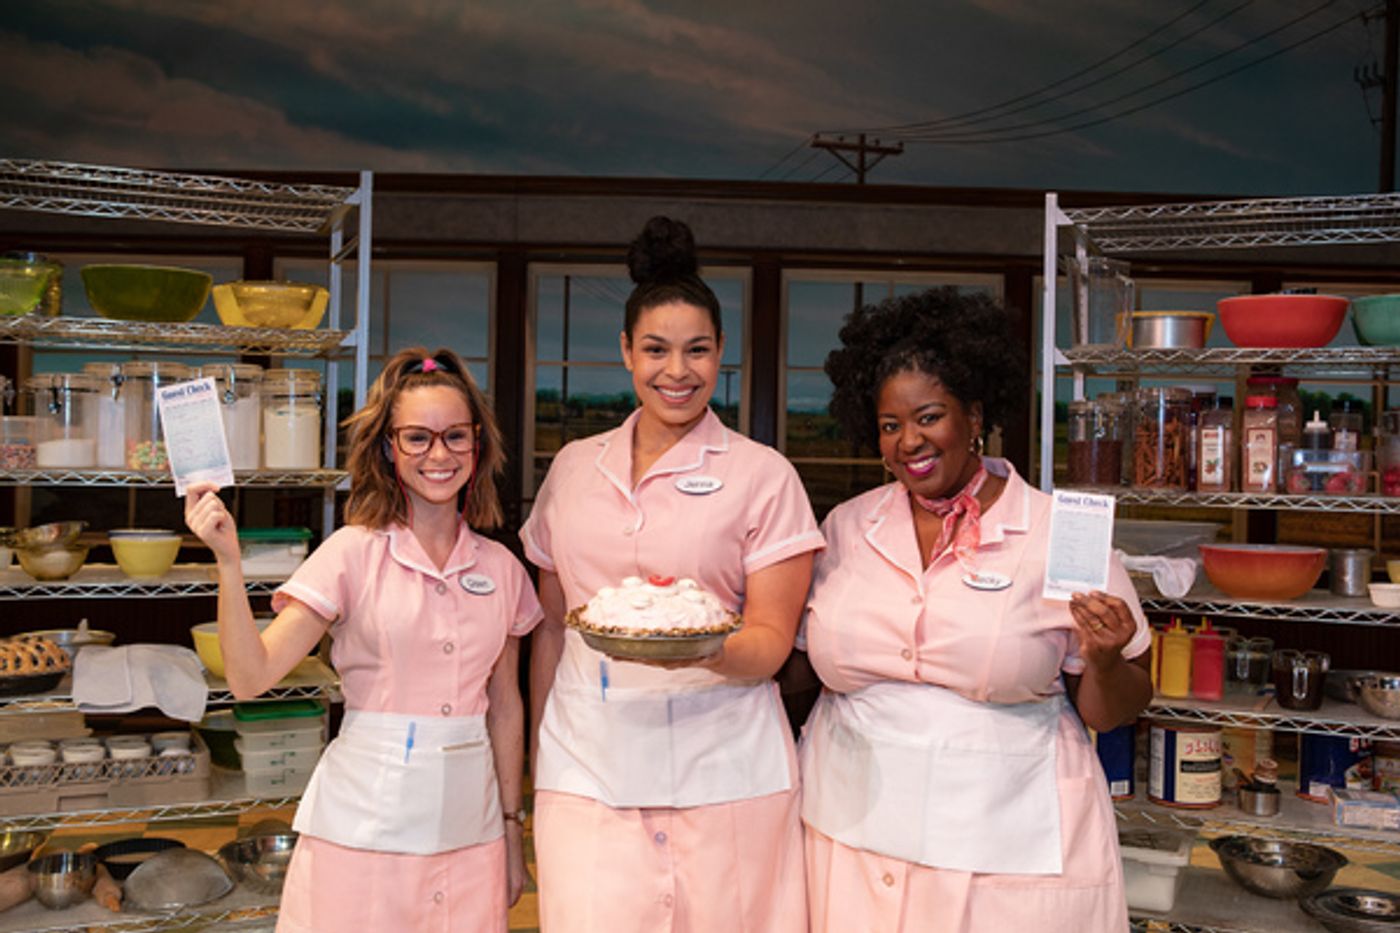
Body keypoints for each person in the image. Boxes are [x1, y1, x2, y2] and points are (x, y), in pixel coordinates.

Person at [799, 288, 1153, 932]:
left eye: (929, 417)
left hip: (1002, 840)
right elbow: (797, 662)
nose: (909, 441)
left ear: (975, 415)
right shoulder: (847, 526)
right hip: (849, 830)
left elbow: (1114, 709)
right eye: (889, 426)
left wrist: (1104, 661)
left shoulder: (1057, 532)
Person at [522, 216, 824, 932]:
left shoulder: (763, 475)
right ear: (626, 351)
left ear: (722, 351)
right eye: (656, 349)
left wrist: (692, 646)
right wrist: (541, 757)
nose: (677, 371)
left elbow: (771, 641)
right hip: (586, 762)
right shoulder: (574, 468)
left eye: (698, 350)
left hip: (724, 765)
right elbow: (552, 630)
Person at [184, 347, 541, 933]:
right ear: (388, 448)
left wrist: (510, 827)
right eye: (417, 438)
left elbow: (505, 707)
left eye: (455, 436)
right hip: (363, 836)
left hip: (469, 836)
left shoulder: (502, 569)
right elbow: (250, 677)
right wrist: (228, 562)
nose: (439, 455)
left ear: (476, 444)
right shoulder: (352, 553)